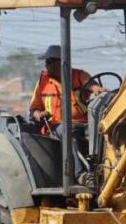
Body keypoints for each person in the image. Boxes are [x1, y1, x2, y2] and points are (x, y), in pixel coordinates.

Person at [29, 45, 105, 182]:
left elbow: (90, 84)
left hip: (84, 124)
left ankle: (103, 170)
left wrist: (96, 89)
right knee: (68, 130)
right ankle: (80, 174)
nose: (46, 65)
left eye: (49, 62)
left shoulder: (78, 75)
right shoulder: (43, 82)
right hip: (55, 126)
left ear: (60, 62)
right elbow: (34, 108)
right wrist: (39, 114)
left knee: (103, 130)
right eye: (46, 62)